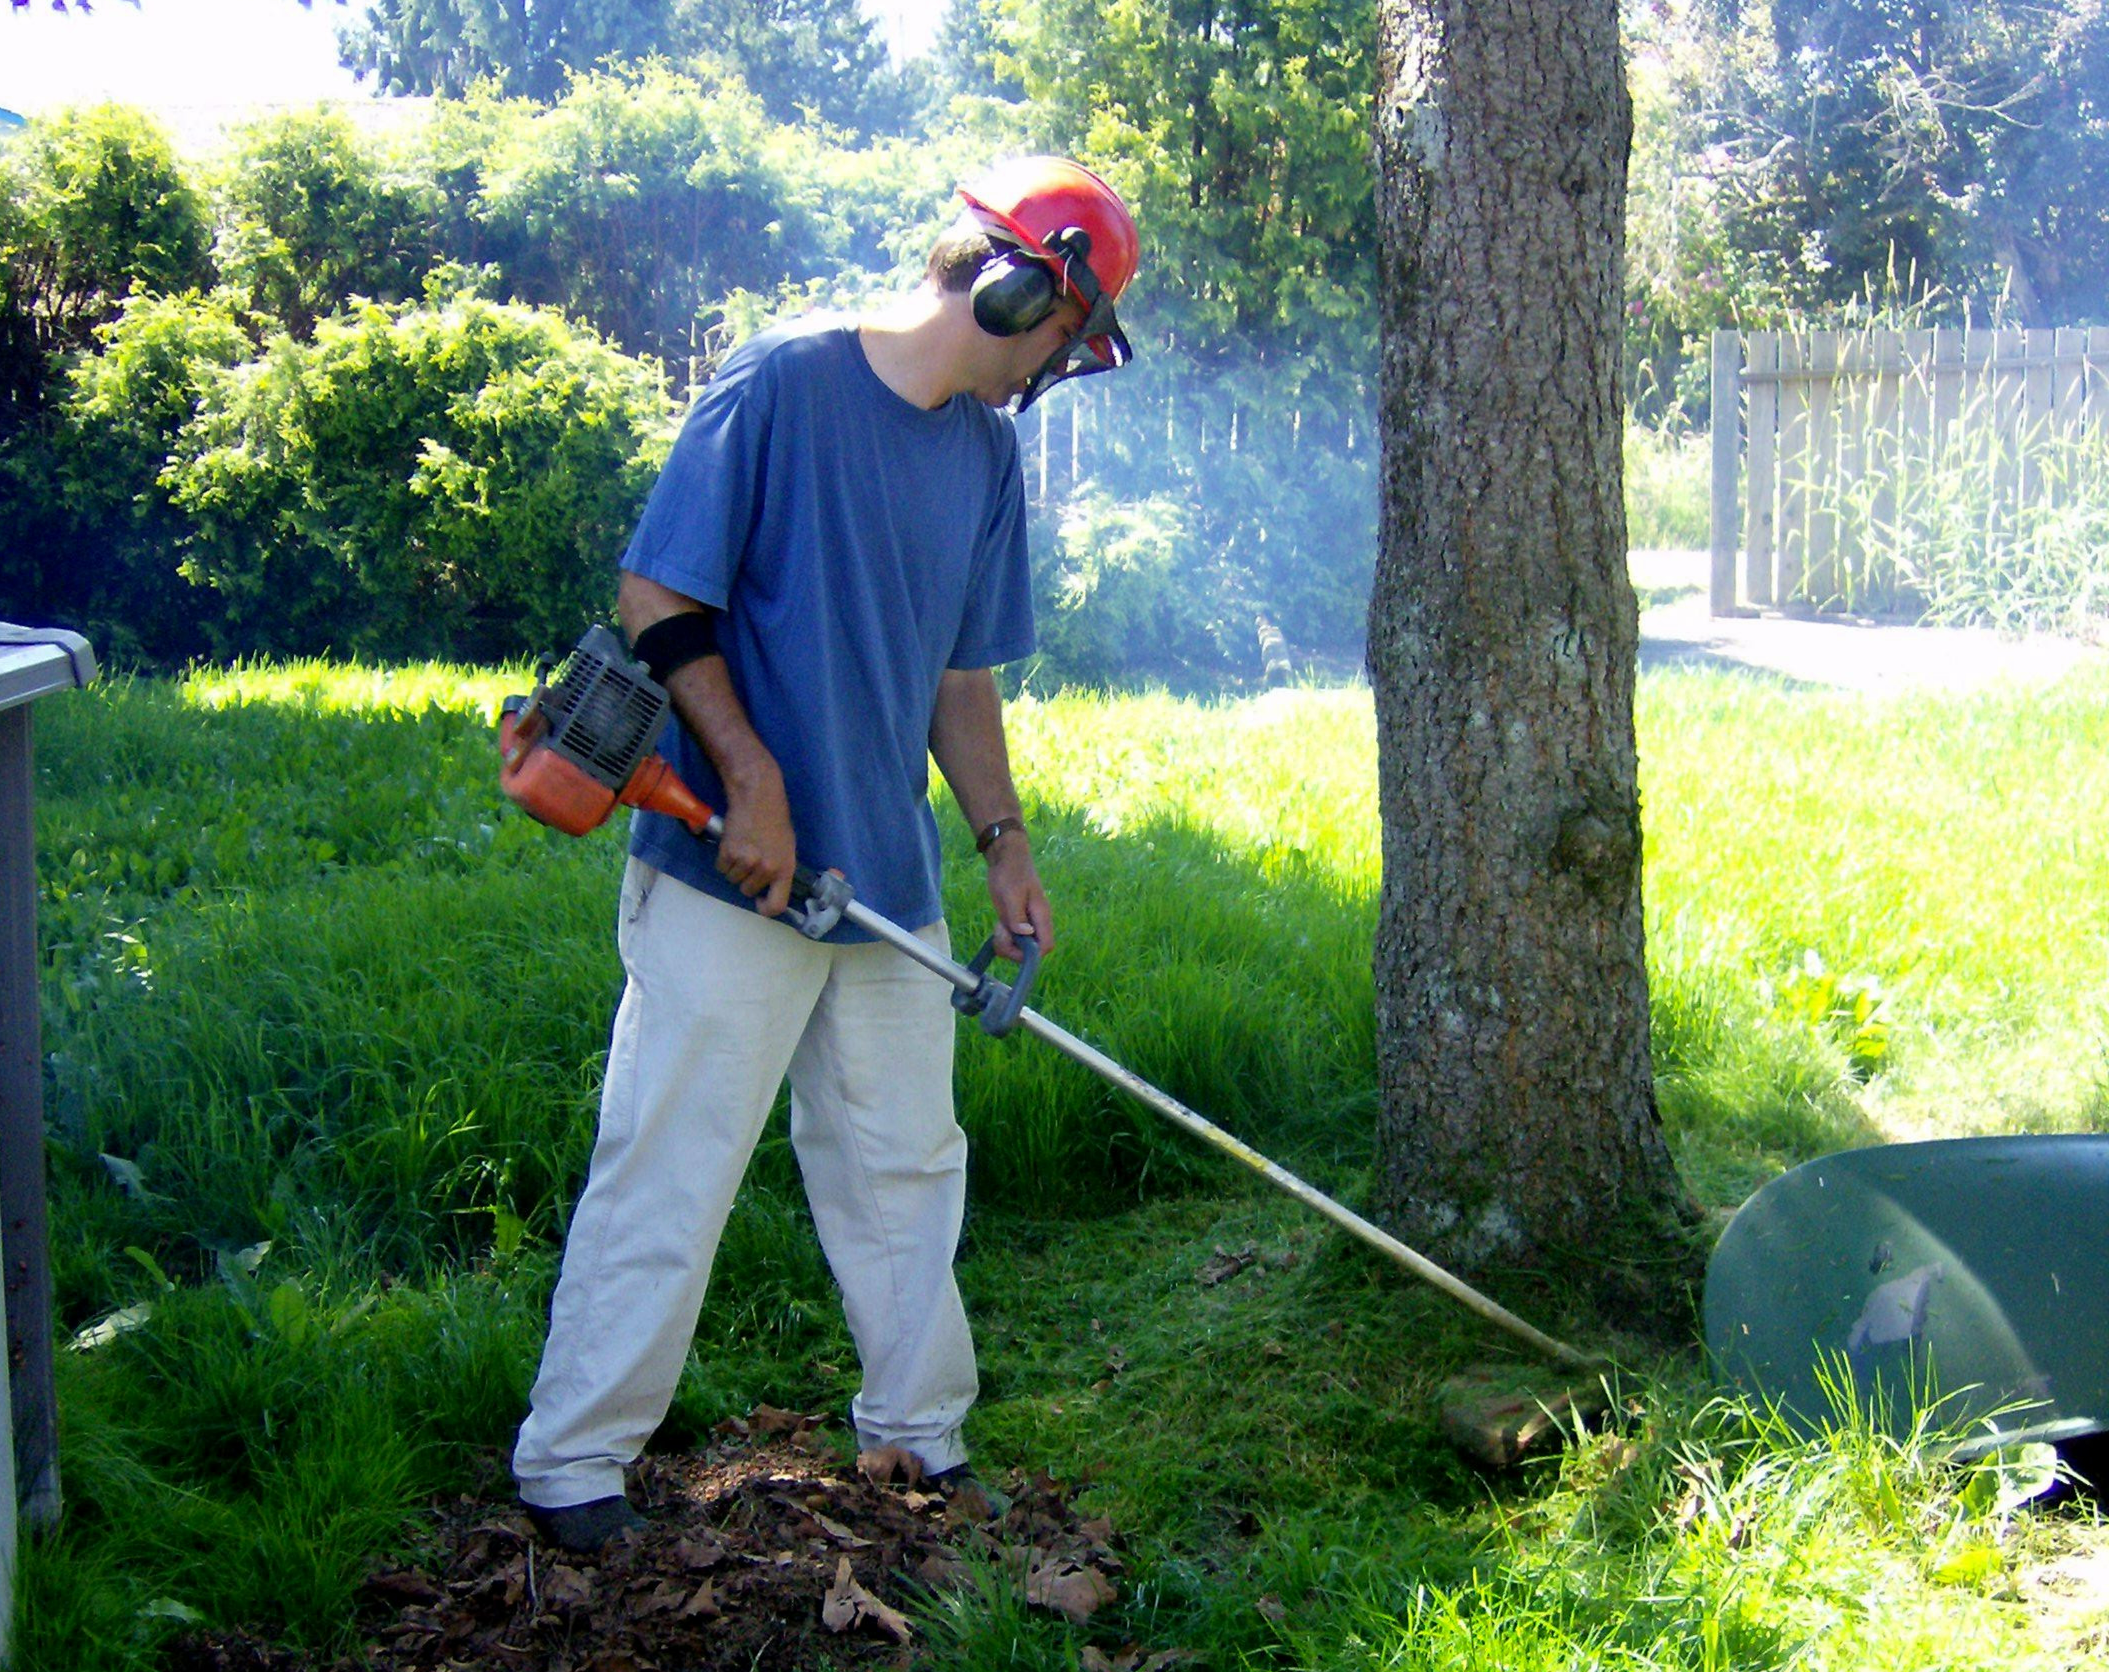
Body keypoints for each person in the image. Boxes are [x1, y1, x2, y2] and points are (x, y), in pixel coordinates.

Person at [511, 157, 1142, 1553]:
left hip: (887, 887)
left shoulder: (984, 455)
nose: (1055, 365)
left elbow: (960, 680)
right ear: (1016, 282)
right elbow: (658, 593)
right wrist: (751, 780)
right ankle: (572, 1465)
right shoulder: (781, 384)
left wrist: (1005, 845)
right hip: (732, 875)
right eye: (1064, 329)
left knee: (905, 1164)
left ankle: (920, 1435)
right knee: (673, 1158)